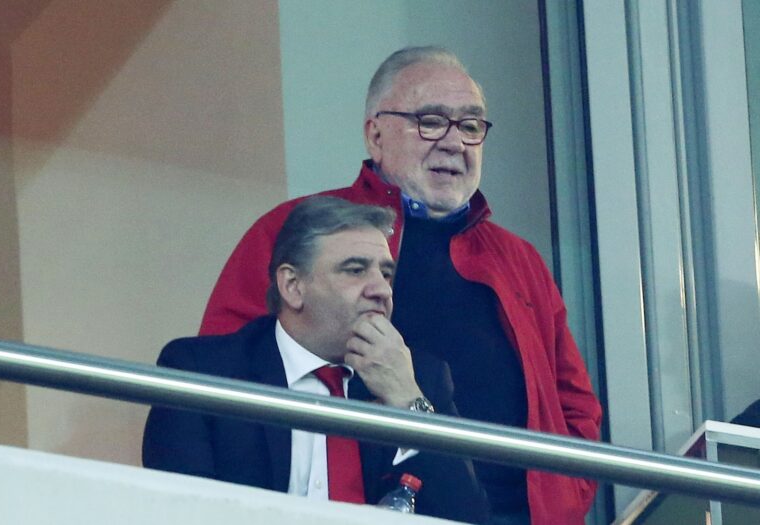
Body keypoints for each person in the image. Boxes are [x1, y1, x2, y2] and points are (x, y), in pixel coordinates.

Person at [199, 46, 602, 525]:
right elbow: (224, 378)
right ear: (375, 135)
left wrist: (566, 498)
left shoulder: (519, 260)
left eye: (471, 125)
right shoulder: (298, 231)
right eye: (430, 121)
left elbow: (576, 407)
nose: (454, 142)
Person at [143, 196, 488, 524]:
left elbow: (466, 517)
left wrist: (407, 402)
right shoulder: (203, 370)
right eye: (355, 270)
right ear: (293, 286)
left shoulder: (418, 377)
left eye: (386, 274)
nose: (381, 290)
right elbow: (181, 513)